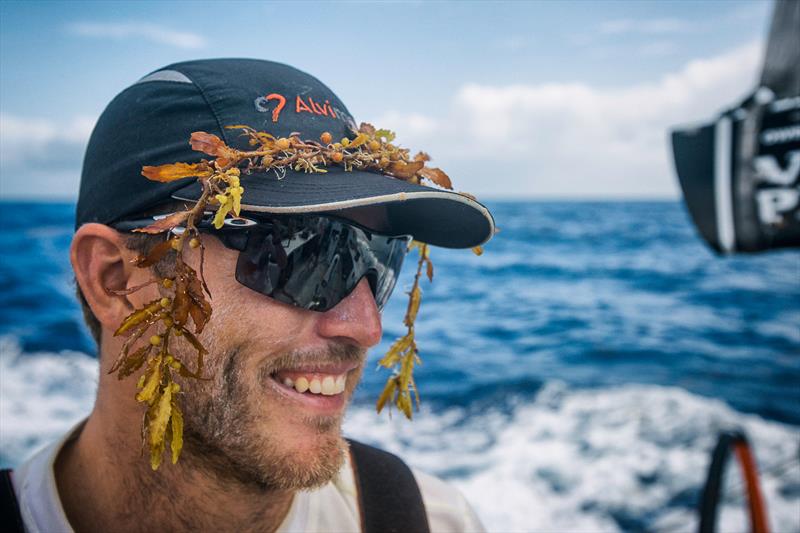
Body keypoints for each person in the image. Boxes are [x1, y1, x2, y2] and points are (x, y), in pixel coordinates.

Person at [2, 59, 494, 533]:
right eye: (301, 251)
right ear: (115, 281)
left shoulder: (431, 520)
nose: (365, 327)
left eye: (382, 258)